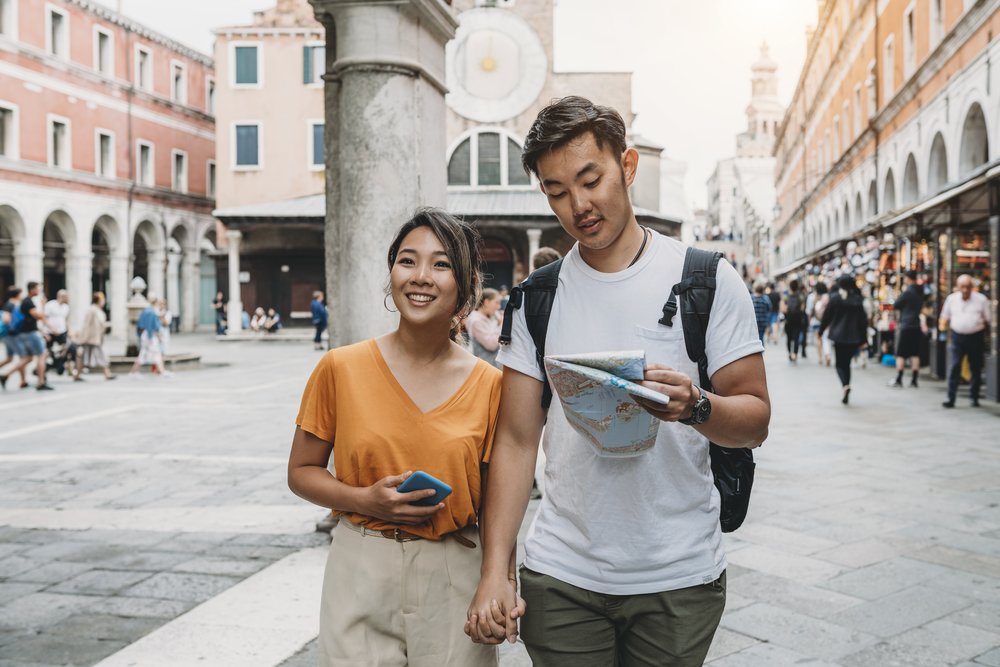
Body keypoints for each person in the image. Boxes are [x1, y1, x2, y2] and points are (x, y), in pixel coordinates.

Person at [465, 96, 769, 665]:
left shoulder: (705, 280)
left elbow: (754, 421)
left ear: (626, 167)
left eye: (590, 179)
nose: (578, 205)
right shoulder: (537, 298)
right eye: (557, 191)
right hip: (562, 573)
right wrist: (495, 571)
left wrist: (697, 406)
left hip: (678, 575)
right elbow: (514, 439)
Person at [287, 208, 511, 666]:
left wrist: (501, 579)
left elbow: (498, 500)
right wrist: (365, 499)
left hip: (454, 569)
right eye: (407, 261)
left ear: (466, 286)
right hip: (360, 565)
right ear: (391, 273)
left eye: (441, 264)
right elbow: (301, 472)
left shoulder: (490, 385)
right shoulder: (340, 368)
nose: (421, 277)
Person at [940, 274, 991, 408]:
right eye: (962, 287)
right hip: (958, 337)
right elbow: (944, 317)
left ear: (972, 287)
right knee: (955, 366)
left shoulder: (982, 300)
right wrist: (943, 331)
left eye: (968, 287)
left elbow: (988, 319)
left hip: (976, 336)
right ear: (957, 287)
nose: (965, 290)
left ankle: (974, 397)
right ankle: (951, 397)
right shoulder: (951, 299)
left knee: (975, 367)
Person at [818, 275, 869, 405]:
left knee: (840, 364)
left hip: (839, 336)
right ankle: (846, 385)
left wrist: (821, 330)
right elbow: (863, 321)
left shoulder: (835, 298)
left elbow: (827, 316)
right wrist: (864, 339)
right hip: (854, 337)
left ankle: (845, 385)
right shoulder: (857, 300)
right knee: (847, 363)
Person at [2, 282, 53, 391]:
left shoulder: (20, 303)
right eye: (38, 288)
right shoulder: (24, 302)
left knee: (25, 358)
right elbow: (39, 316)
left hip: (19, 334)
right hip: (19, 334)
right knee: (40, 355)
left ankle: (18, 379)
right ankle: (40, 382)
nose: (40, 291)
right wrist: (43, 306)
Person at [888, 270, 927, 388]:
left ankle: (899, 379)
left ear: (908, 278)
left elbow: (896, 305)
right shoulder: (921, 291)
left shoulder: (908, 292)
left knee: (901, 353)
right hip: (916, 325)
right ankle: (914, 380)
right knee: (915, 353)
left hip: (906, 325)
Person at [77, 292, 116, 380]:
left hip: (96, 338)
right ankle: (107, 373)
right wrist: (83, 338)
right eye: (102, 300)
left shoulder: (98, 311)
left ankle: (78, 374)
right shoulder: (92, 310)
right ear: (99, 300)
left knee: (89, 355)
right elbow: (86, 324)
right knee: (88, 355)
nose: (104, 302)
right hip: (90, 338)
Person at [464, 288, 503, 367]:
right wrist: (501, 325)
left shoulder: (488, 317)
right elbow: (491, 345)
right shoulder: (476, 321)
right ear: (486, 302)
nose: (498, 307)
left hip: (491, 365)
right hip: (485, 367)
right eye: (496, 303)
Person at [129, 296, 165, 377]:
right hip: (150, 336)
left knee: (146, 354)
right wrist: (157, 336)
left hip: (145, 335)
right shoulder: (152, 312)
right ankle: (161, 371)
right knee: (154, 353)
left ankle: (161, 371)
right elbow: (153, 327)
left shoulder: (146, 311)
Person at [0, 286, 28, 389]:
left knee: (9, 358)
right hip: (11, 335)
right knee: (24, 357)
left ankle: (23, 380)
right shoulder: (10, 305)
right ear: (17, 295)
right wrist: (15, 324)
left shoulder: (11, 304)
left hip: (8, 335)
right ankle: (23, 381)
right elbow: (6, 319)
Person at [783, 279, 806, 362]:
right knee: (796, 337)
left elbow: (784, 309)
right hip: (798, 319)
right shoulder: (801, 296)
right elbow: (802, 309)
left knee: (789, 338)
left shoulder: (786, 296)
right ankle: (795, 354)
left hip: (789, 320)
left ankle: (789, 353)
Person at [809, 281, 831, 366]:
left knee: (818, 338)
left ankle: (820, 358)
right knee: (826, 338)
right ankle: (827, 355)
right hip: (826, 321)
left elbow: (810, 310)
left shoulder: (813, 297)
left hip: (816, 321)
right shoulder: (828, 297)